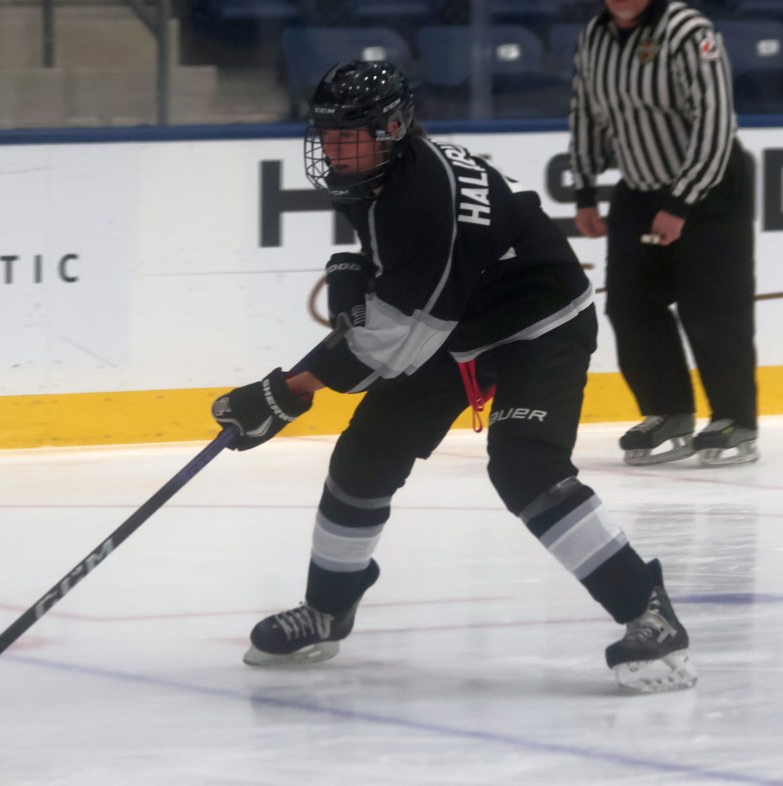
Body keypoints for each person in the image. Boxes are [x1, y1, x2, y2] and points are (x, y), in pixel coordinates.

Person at [211, 60, 697, 694]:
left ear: (391, 128)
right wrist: (356, 270)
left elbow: (389, 344)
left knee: (526, 466)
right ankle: (329, 608)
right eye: (326, 135)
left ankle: (648, 611)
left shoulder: (418, 196)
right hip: (458, 326)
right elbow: (407, 293)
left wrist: (284, 393)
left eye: (348, 135)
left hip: (539, 326)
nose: (332, 149)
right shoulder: (386, 173)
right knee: (366, 454)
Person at [568, 0, 758, 467]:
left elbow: (714, 121)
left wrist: (682, 202)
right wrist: (585, 189)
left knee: (711, 307)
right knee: (630, 304)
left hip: (709, 185)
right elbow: (587, 111)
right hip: (638, 187)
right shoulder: (595, 35)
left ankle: (736, 420)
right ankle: (668, 412)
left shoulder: (689, 29)